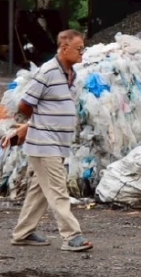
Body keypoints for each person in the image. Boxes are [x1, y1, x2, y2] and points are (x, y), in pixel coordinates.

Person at [7, 29, 93, 252]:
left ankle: (23, 233)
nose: (82, 53)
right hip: (44, 143)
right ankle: (71, 236)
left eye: (84, 48)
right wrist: (34, 125)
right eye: (79, 49)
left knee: (40, 190)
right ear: (64, 48)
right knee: (57, 190)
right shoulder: (47, 72)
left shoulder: (69, 74)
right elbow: (25, 104)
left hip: (57, 142)